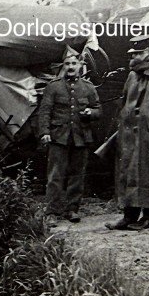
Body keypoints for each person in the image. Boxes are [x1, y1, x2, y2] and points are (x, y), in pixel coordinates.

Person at [105, 35, 149, 231]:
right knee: (129, 174)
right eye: (133, 53)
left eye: (138, 53)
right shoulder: (132, 76)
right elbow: (124, 101)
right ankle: (128, 216)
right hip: (129, 135)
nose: (134, 57)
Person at [37, 48, 101, 225]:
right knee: (55, 175)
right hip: (59, 137)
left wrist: (91, 112)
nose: (71, 67)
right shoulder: (54, 86)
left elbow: (98, 109)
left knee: (77, 175)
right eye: (68, 64)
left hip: (80, 137)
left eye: (74, 63)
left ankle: (72, 209)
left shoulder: (88, 88)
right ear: (63, 66)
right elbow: (45, 112)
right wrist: (44, 132)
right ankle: (52, 211)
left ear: (80, 65)